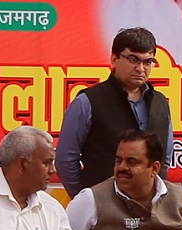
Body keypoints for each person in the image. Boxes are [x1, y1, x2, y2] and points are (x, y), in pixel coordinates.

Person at [55, 27, 175, 194]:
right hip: (103, 209)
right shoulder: (88, 102)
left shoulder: (161, 102)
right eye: (133, 59)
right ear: (114, 59)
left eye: (148, 62)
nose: (140, 68)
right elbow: (65, 160)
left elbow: (165, 158)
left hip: (151, 209)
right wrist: (86, 200)